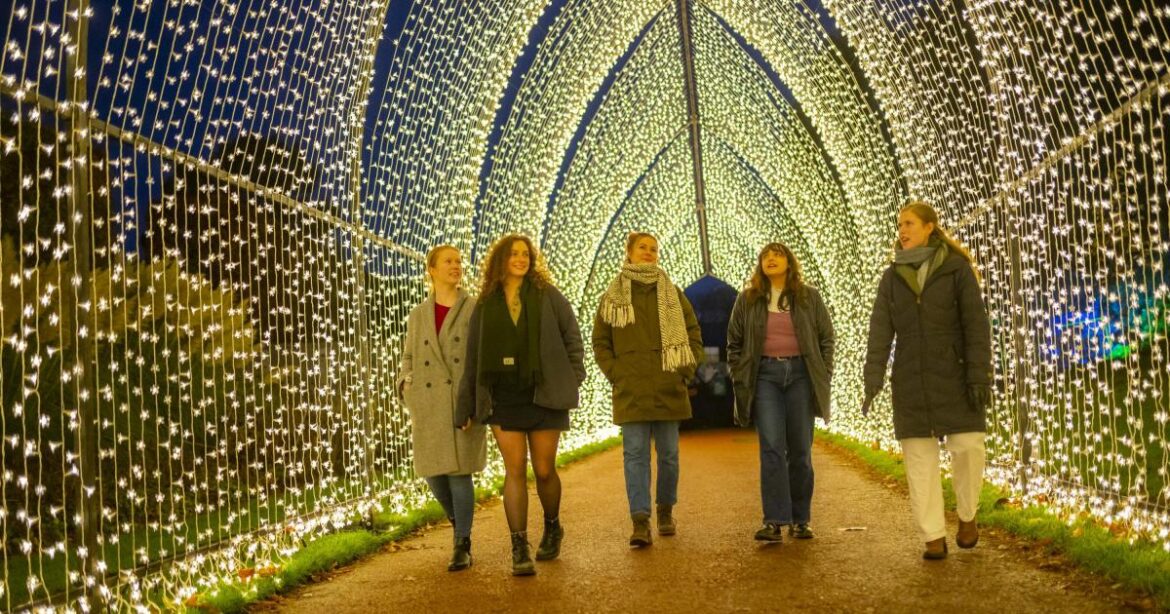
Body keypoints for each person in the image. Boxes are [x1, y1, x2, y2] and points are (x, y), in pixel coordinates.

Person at [862, 200, 992, 560]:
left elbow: (976, 326)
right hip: (910, 378)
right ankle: (933, 534)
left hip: (955, 374)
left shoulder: (956, 270)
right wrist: (872, 378)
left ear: (929, 228)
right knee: (919, 459)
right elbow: (879, 333)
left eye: (909, 223)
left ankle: (968, 514)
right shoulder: (891, 278)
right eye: (899, 225)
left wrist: (978, 374)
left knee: (968, 446)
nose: (902, 231)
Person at [456, 234, 586, 576]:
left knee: (544, 470)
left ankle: (553, 526)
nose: (520, 258)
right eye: (513, 254)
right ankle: (519, 547)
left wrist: (571, 377)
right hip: (503, 397)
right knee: (514, 470)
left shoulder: (547, 296)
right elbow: (473, 358)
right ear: (501, 260)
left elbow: (572, 336)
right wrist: (466, 404)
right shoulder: (485, 304)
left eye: (525, 254)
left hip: (544, 393)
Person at [592, 232, 703, 547]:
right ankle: (640, 520)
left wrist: (686, 368)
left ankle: (665, 509)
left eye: (653, 249)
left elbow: (693, 330)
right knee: (635, 455)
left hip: (668, 384)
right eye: (642, 247)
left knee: (669, 455)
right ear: (628, 252)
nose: (649, 253)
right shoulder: (612, 295)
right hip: (631, 387)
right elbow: (601, 341)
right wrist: (617, 373)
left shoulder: (671, 292)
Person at [726, 242, 835, 543]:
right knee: (772, 447)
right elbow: (734, 341)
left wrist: (822, 373)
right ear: (760, 264)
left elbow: (826, 337)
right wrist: (741, 372)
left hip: (801, 375)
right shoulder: (748, 299)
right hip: (765, 378)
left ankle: (801, 520)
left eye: (778, 255)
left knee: (800, 449)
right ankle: (774, 520)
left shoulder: (808, 296)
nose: (771, 259)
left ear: (789, 262)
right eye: (765, 256)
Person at [397, 245, 486, 571]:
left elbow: (479, 361)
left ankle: (462, 542)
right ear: (431, 270)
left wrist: (474, 406)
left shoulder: (474, 308)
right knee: (432, 473)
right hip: (428, 403)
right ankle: (458, 520)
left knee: (459, 474)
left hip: (460, 403)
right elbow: (408, 357)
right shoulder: (418, 314)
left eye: (459, 261)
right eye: (448, 261)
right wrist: (406, 384)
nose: (456, 266)